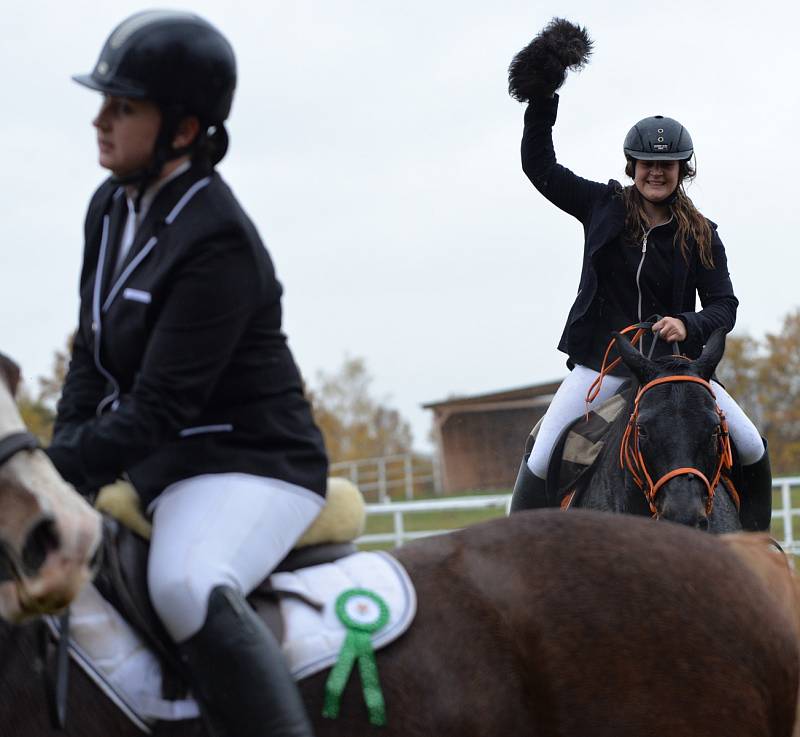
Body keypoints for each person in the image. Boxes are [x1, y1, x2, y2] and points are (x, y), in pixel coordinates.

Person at [44, 10, 326, 737]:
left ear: (181, 127)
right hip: (162, 462)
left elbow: (159, 408)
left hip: (250, 460)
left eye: (123, 106)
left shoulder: (218, 237)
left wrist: (49, 466)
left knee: (183, 581)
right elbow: (90, 358)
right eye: (103, 102)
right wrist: (56, 465)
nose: (100, 120)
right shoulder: (109, 208)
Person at [509, 90, 771, 530]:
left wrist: (687, 324)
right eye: (647, 163)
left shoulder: (703, 234)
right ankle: (516, 552)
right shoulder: (601, 205)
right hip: (602, 366)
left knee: (751, 446)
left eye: (666, 165)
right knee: (542, 454)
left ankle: (758, 549)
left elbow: (724, 307)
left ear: (681, 171)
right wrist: (541, 98)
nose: (656, 173)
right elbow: (540, 167)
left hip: (678, 372)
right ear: (632, 166)